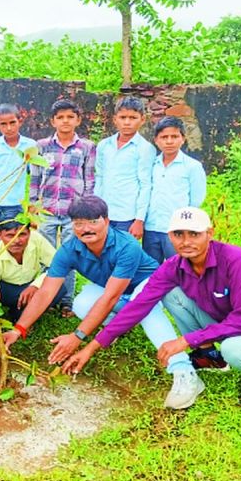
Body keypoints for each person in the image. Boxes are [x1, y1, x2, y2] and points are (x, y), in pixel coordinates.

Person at [64, 207, 241, 408]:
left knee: (234, 350)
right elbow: (138, 306)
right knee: (171, 293)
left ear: (209, 234)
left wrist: (185, 340)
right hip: (222, 324)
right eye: (178, 234)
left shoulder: (236, 259)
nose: (186, 241)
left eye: (194, 234)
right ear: (169, 236)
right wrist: (91, 347)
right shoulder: (174, 266)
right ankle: (209, 355)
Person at [3, 196, 203, 410]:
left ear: (106, 221)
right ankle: (118, 325)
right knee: (81, 304)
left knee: (144, 310)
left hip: (148, 286)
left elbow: (110, 298)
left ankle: (184, 371)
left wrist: (77, 336)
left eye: (93, 221)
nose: (85, 228)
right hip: (115, 290)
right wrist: (18, 329)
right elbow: (45, 292)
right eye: (79, 223)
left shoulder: (126, 246)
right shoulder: (70, 249)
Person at [0, 222, 66, 371]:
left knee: (59, 287)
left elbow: (58, 266)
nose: (17, 240)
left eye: (22, 234)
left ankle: (21, 316)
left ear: (30, 233)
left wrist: (36, 285)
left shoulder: (37, 240)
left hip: (27, 288)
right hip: (3, 289)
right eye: (10, 235)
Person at [29, 99, 96, 316]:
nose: (65, 121)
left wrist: (85, 210)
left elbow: (89, 180)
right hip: (46, 210)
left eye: (70, 117)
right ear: (53, 121)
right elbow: (35, 179)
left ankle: (66, 300)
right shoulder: (41, 146)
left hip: (73, 213)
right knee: (45, 256)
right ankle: (45, 297)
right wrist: (32, 205)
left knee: (69, 255)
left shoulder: (86, 147)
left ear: (78, 120)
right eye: (60, 117)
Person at [142, 116, 207, 264]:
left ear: (183, 139)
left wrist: (185, 226)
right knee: (151, 269)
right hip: (151, 227)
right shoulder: (151, 164)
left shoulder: (192, 166)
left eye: (174, 136)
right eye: (164, 137)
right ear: (156, 140)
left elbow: (196, 199)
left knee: (180, 267)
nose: (169, 141)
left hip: (177, 228)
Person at [94, 96, 155, 240]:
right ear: (115, 119)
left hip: (128, 215)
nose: (127, 122)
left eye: (133, 117)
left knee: (124, 254)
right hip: (104, 212)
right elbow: (100, 177)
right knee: (102, 252)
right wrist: (96, 208)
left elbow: (145, 184)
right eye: (123, 117)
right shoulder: (104, 145)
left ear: (142, 119)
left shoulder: (145, 149)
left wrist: (139, 219)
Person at [0, 104, 37, 245]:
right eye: (3, 124)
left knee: (15, 240)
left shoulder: (30, 145)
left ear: (20, 121)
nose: (8, 128)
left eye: (12, 123)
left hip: (15, 202)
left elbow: (35, 175)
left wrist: (33, 203)